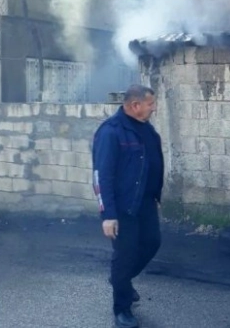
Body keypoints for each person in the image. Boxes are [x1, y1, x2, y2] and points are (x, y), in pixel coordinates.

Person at [92, 84, 164, 328]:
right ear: (135, 106)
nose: (154, 108)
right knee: (125, 256)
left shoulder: (146, 130)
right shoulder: (111, 132)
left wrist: (155, 196)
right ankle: (122, 309)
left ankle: (120, 280)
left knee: (152, 243)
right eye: (150, 104)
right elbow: (102, 176)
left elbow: (151, 166)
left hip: (144, 203)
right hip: (122, 208)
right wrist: (108, 215)